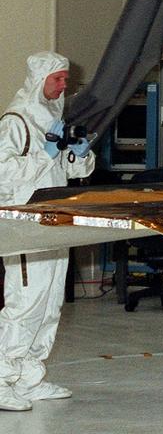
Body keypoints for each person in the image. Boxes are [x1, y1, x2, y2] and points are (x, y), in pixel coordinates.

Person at [0, 52, 93, 412]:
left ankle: (29, 377)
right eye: (58, 79)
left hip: (53, 221)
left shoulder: (52, 118)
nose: (64, 85)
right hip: (25, 226)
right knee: (26, 303)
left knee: (51, 302)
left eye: (65, 79)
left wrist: (79, 155)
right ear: (39, 81)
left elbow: (67, 173)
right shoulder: (16, 122)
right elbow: (5, 178)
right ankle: (2, 377)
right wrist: (44, 153)